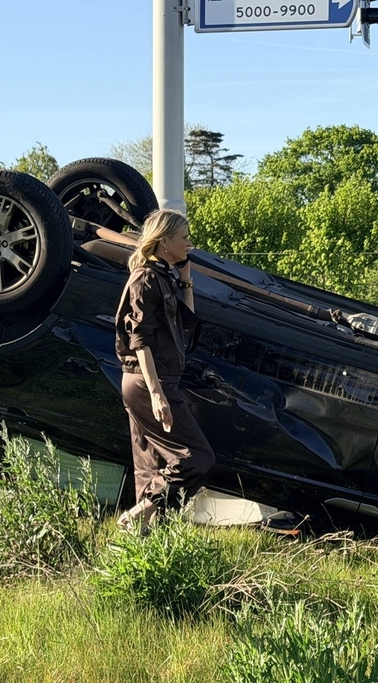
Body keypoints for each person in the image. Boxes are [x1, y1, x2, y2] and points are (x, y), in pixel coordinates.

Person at [114, 209, 215, 533]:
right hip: (148, 384)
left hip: (152, 382)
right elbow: (139, 340)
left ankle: (145, 540)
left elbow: (186, 322)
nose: (189, 243)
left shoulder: (163, 276)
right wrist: (157, 394)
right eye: (183, 237)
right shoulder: (144, 278)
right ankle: (140, 511)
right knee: (196, 457)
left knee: (149, 467)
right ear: (164, 240)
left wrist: (185, 278)